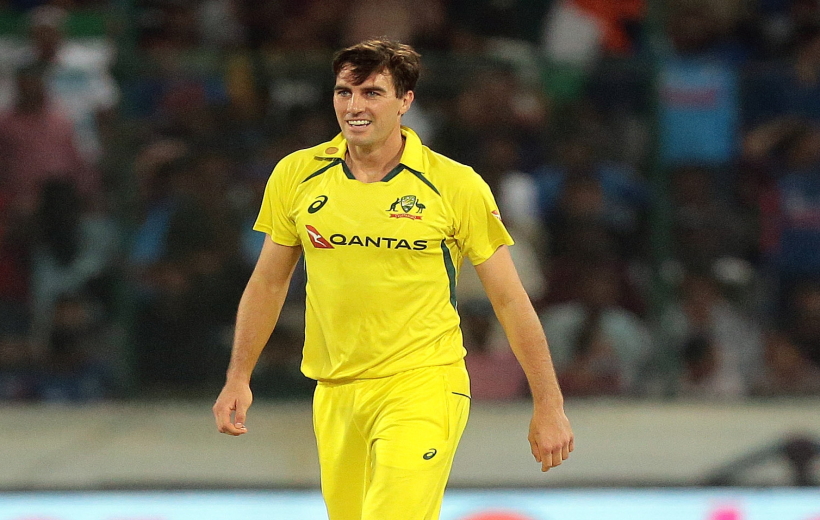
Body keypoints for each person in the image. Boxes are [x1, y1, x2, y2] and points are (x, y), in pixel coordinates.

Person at [212, 38, 573, 520]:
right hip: (335, 388)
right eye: (344, 92)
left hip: (422, 383)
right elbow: (268, 284)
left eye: (371, 93)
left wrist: (548, 404)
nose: (354, 106)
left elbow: (510, 300)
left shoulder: (453, 184)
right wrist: (238, 377)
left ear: (405, 101)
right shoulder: (297, 175)